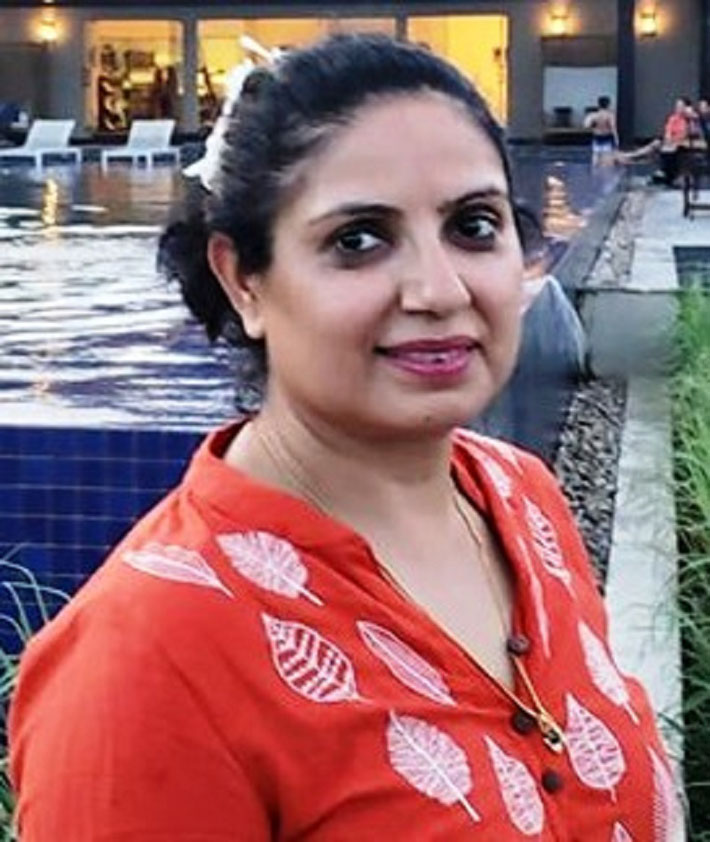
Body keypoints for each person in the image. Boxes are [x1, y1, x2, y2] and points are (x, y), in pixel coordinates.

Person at [9, 34, 683, 840]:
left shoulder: (519, 496)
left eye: (474, 225)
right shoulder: (146, 661)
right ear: (243, 280)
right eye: (358, 240)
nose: (439, 290)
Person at [583, 96, 618, 166]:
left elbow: (586, 125)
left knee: (596, 156)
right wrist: (616, 138)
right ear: (608, 105)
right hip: (607, 137)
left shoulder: (593, 115)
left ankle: (594, 170)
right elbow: (613, 128)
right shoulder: (610, 115)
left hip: (597, 136)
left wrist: (594, 125)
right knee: (607, 157)